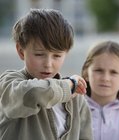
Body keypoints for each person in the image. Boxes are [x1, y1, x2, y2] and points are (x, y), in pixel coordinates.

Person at [0, 9, 93, 140]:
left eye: (57, 56)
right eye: (39, 54)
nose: (48, 64)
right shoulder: (9, 82)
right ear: (21, 51)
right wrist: (68, 86)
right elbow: (32, 94)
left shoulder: (76, 98)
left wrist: (69, 87)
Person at [81, 41, 119, 140]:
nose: (105, 78)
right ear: (86, 73)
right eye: (99, 70)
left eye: (113, 72)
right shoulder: (74, 108)